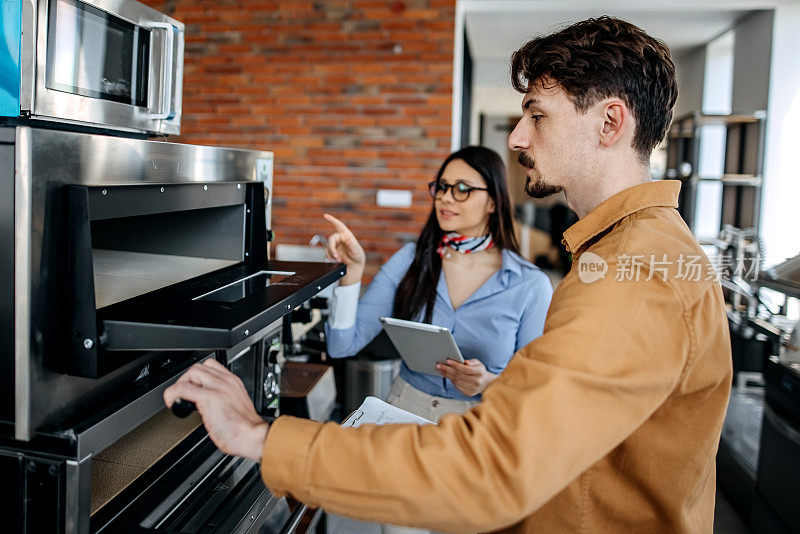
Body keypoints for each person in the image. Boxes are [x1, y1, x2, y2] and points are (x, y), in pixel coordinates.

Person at [165, 16, 732, 533]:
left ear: (611, 121)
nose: (517, 137)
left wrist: (263, 437)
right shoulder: (632, 251)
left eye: (537, 114)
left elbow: (496, 466)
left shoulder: (629, 273)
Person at [322, 146, 553, 424]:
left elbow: (534, 386)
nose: (445, 198)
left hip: (481, 424)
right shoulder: (411, 260)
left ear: (494, 201)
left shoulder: (530, 284)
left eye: (462, 188)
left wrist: (488, 382)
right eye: (442, 187)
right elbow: (341, 346)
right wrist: (353, 271)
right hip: (403, 417)